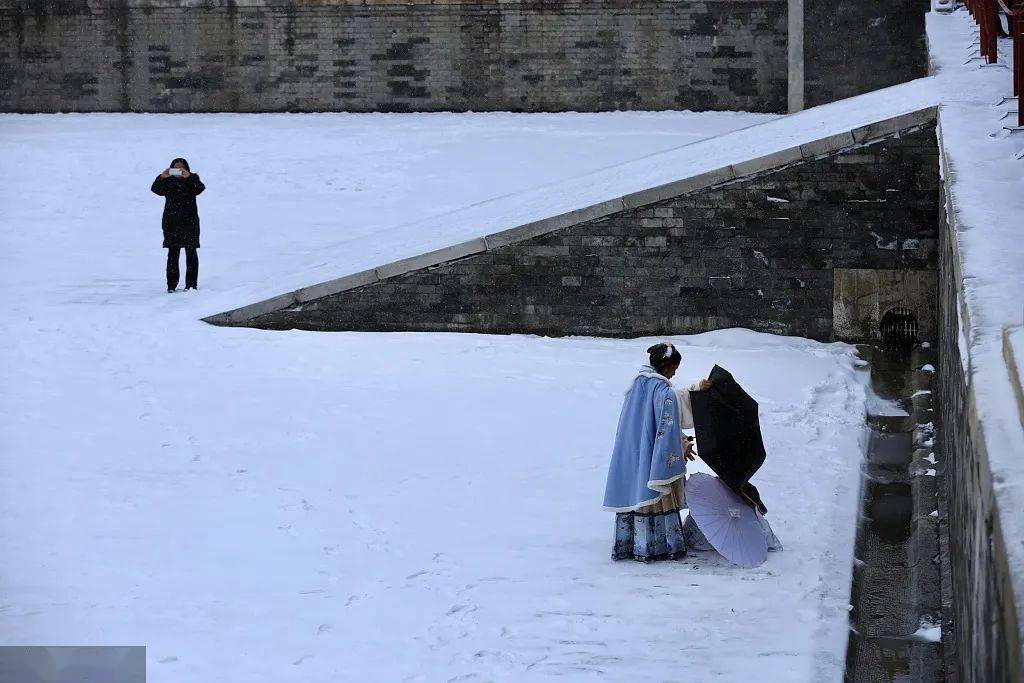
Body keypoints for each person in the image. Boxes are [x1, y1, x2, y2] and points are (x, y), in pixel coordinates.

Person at [603, 343, 711, 562]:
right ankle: (658, 546)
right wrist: (682, 444)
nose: (675, 372)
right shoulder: (662, 390)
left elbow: (661, 413)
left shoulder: (637, 386)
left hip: (635, 451)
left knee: (638, 490)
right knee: (657, 493)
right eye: (674, 367)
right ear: (666, 365)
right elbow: (667, 420)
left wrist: (697, 388)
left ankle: (631, 543)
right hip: (653, 454)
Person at [151, 158, 205, 293]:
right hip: (171, 222)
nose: (179, 171)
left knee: (191, 252)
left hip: (190, 221)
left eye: (182, 168)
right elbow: (155, 189)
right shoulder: (167, 181)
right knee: (173, 253)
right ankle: (171, 285)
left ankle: (191, 285)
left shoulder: (192, 180)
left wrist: (189, 177)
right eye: (176, 168)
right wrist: (161, 177)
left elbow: (200, 188)